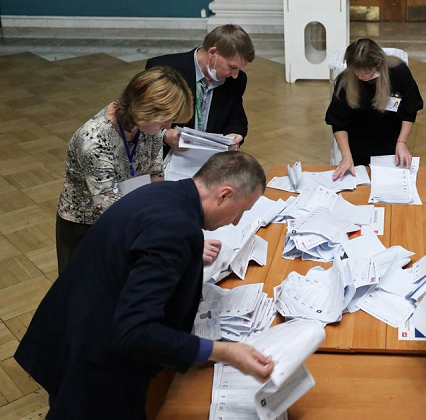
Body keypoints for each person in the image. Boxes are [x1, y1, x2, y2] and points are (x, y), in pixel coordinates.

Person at [15, 152, 274, 419]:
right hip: (94, 358)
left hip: (74, 323)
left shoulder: (167, 193)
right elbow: (135, 331)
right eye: (241, 210)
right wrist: (223, 351)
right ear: (224, 194)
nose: (236, 221)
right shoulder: (176, 230)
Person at [55, 66, 194, 273]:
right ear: (146, 109)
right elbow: (110, 209)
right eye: (165, 119)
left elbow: (155, 173)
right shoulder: (94, 141)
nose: (168, 126)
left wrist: (166, 216)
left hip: (130, 213)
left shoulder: (148, 126)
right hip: (85, 227)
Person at [146, 24, 255, 152]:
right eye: (232, 67)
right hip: (169, 157)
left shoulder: (237, 81)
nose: (235, 75)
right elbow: (143, 117)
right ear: (212, 52)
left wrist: (235, 135)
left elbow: (237, 119)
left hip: (211, 158)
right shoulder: (163, 69)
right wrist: (164, 134)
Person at [326, 38, 423, 179]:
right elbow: (338, 122)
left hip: (392, 147)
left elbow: (410, 110)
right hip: (357, 150)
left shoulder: (398, 73)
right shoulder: (345, 81)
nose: (360, 77)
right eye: (355, 71)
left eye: (364, 72)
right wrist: (346, 156)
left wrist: (402, 142)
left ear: (377, 64)